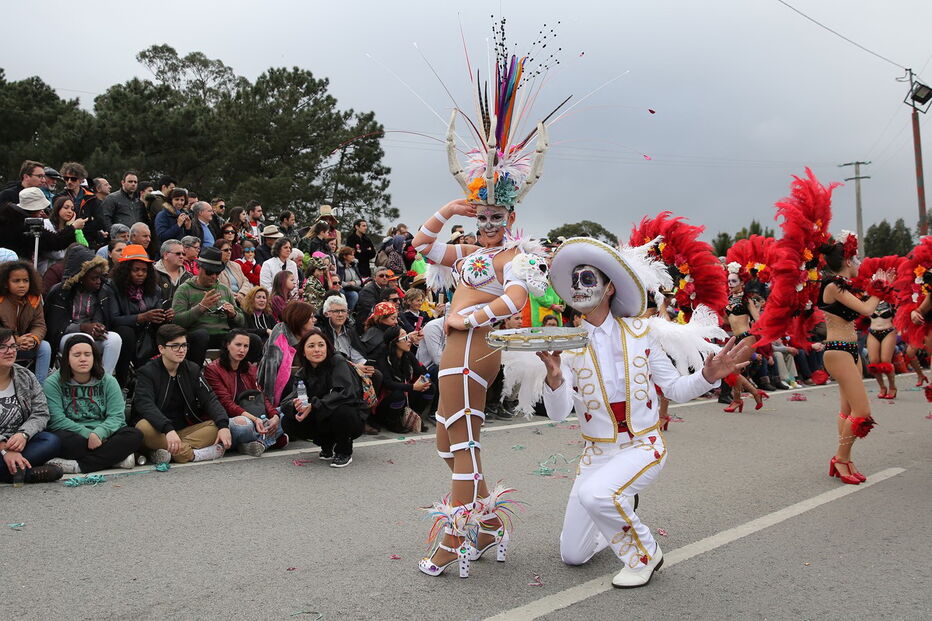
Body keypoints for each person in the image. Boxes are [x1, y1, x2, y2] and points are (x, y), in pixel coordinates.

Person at [538, 237, 748, 588]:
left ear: (609, 288)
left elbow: (675, 389)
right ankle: (615, 508)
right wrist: (556, 379)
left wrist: (707, 376)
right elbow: (558, 415)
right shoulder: (567, 345)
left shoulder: (642, 333)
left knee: (597, 495)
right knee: (573, 554)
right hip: (596, 455)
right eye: (574, 281)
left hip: (641, 446)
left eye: (587, 279)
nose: (578, 287)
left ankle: (645, 556)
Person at [412, 195, 551, 577]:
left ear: (511, 217)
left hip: (473, 349)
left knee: (463, 442)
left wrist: (470, 318)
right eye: (483, 216)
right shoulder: (470, 252)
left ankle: (454, 540)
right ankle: (488, 525)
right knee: (446, 444)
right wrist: (449, 210)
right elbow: (421, 245)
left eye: (497, 217)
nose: (489, 224)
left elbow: (516, 299)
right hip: (456, 348)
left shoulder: (515, 257)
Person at [753, 171, 882, 486]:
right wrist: (881, 288)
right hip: (838, 351)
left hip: (848, 350)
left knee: (847, 410)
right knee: (862, 411)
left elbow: (862, 310)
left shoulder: (840, 284)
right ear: (847, 261)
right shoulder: (833, 285)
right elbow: (868, 309)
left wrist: (875, 290)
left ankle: (845, 460)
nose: (858, 264)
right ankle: (840, 459)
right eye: (855, 259)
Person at [130, 325, 231, 464]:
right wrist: (167, 429)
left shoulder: (192, 369)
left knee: (215, 426)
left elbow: (209, 399)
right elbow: (145, 405)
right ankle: (192, 455)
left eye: (184, 345)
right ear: (161, 349)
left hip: (183, 431)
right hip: (157, 430)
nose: (181, 350)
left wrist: (223, 425)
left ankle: (166, 451)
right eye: (175, 346)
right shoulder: (147, 372)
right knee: (142, 427)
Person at [43, 335, 143, 473]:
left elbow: (117, 417)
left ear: (94, 357)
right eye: (77, 355)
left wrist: (99, 433)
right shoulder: (52, 383)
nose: (83, 359)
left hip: (104, 434)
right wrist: (88, 434)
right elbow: (57, 420)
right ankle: (115, 458)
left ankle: (78, 466)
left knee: (134, 435)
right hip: (74, 434)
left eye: (87, 354)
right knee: (58, 440)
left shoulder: (108, 381)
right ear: (67, 358)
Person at [279, 329, 365, 468]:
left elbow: (345, 393)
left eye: (321, 345)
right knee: (288, 421)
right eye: (311, 346)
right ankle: (327, 443)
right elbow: (286, 402)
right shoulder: (302, 373)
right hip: (322, 414)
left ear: (327, 347)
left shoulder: (338, 361)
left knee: (342, 411)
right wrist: (295, 406)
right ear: (303, 352)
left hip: (351, 416)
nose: (317, 350)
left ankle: (344, 450)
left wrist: (314, 405)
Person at [204, 329, 287, 456]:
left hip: (255, 414)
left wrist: (274, 416)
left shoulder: (249, 368)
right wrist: (255, 419)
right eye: (238, 345)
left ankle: (257, 444)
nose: (242, 350)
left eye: (245, 346)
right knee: (244, 425)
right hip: (231, 418)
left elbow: (261, 396)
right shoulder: (213, 369)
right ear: (227, 345)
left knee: (287, 412)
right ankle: (270, 440)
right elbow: (226, 404)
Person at [171, 246, 254, 367]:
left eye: (217, 273)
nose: (214, 276)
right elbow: (177, 321)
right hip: (197, 335)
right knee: (201, 336)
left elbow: (241, 321)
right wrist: (201, 308)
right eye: (209, 272)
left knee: (253, 340)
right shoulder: (185, 289)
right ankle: (195, 373)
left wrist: (233, 315)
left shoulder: (224, 289)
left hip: (223, 335)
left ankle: (244, 374)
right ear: (198, 268)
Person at [44, 246, 123, 374]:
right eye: (94, 278)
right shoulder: (59, 292)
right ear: (80, 277)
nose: (98, 281)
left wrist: (98, 327)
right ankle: (82, 378)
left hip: (91, 335)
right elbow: (55, 327)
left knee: (115, 339)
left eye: (99, 277)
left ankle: (104, 378)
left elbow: (101, 317)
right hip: (66, 337)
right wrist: (82, 327)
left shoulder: (101, 291)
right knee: (85, 339)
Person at [0, 328, 64, 484]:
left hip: (18, 441)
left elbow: (41, 412)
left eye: (13, 346)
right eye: (2, 347)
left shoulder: (25, 376)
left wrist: (24, 434)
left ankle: (13, 469)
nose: (10, 351)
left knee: (51, 440)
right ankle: (27, 475)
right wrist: (4, 449)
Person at [105, 245, 172, 385]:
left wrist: (165, 316)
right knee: (126, 332)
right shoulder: (112, 287)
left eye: (144, 270)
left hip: (147, 332)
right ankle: (122, 382)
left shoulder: (154, 289)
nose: (141, 274)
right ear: (125, 270)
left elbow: (157, 312)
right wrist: (142, 317)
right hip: (124, 332)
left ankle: (168, 380)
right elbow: (113, 319)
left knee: (170, 330)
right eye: (136, 270)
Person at [721, 264, 767, 410]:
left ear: (742, 283)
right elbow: (727, 321)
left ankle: (740, 398)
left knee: (732, 369)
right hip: (736, 340)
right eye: (729, 281)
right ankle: (750, 394)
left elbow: (757, 319)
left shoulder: (747, 299)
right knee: (731, 369)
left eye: (734, 281)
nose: (730, 284)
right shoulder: (728, 299)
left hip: (747, 338)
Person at [0, 261, 52, 383]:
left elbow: (39, 325)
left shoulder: (34, 299)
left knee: (45, 347)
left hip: (23, 345)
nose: (22, 285)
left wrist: (33, 339)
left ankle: (39, 387)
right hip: (3, 345)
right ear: (6, 283)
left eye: (25, 280)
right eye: (16, 281)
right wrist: (15, 340)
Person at [257, 301, 317, 407]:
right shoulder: (279, 338)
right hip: (286, 395)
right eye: (311, 317)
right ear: (300, 318)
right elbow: (270, 375)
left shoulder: (314, 334)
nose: (314, 320)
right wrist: (270, 407)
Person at [373, 326, 431, 433]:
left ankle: (415, 416)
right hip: (385, 400)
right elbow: (388, 384)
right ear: (394, 342)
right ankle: (392, 422)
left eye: (408, 336)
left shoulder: (407, 354)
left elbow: (421, 371)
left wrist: (424, 381)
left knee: (430, 388)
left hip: (405, 394)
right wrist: (413, 387)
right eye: (405, 338)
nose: (409, 340)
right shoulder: (382, 357)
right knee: (398, 395)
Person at [0, 187, 81, 262]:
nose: (42, 210)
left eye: (72, 209)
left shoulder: (7, 217)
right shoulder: (27, 225)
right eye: (66, 207)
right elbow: (56, 242)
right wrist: (73, 227)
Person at [58, 162, 105, 247]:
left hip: (88, 241)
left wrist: (81, 226)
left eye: (73, 179)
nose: (69, 182)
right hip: (67, 241)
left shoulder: (92, 198)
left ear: (81, 180)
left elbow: (100, 222)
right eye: (66, 178)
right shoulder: (59, 198)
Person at [154, 239, 192, 304]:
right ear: (166, 255)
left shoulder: (189, 276)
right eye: (178, 253)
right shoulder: (152, 274)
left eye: (183, 254)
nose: (181, 256)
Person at [215, 238, 253, 304]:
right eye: (226, 250)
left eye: (230, 249)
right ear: (218, 251)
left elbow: (246, 281)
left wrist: (241, 294)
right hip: (225, 301)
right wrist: (234, 297)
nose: (229, 252)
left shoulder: (236, 265)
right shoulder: (214, 268)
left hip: (242, 298)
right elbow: (218, 287)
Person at [336, 246, 363, 311]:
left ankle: (351, 312)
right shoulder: (340, 267)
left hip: (353, 288)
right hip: (343, 288)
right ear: (344, 256)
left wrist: (354, 282)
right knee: (348, 294)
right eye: (351, 255)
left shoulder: (353, 266)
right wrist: (348, 284)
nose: (353, 257)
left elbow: (360, 280)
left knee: (356, 294)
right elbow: (339, 281)